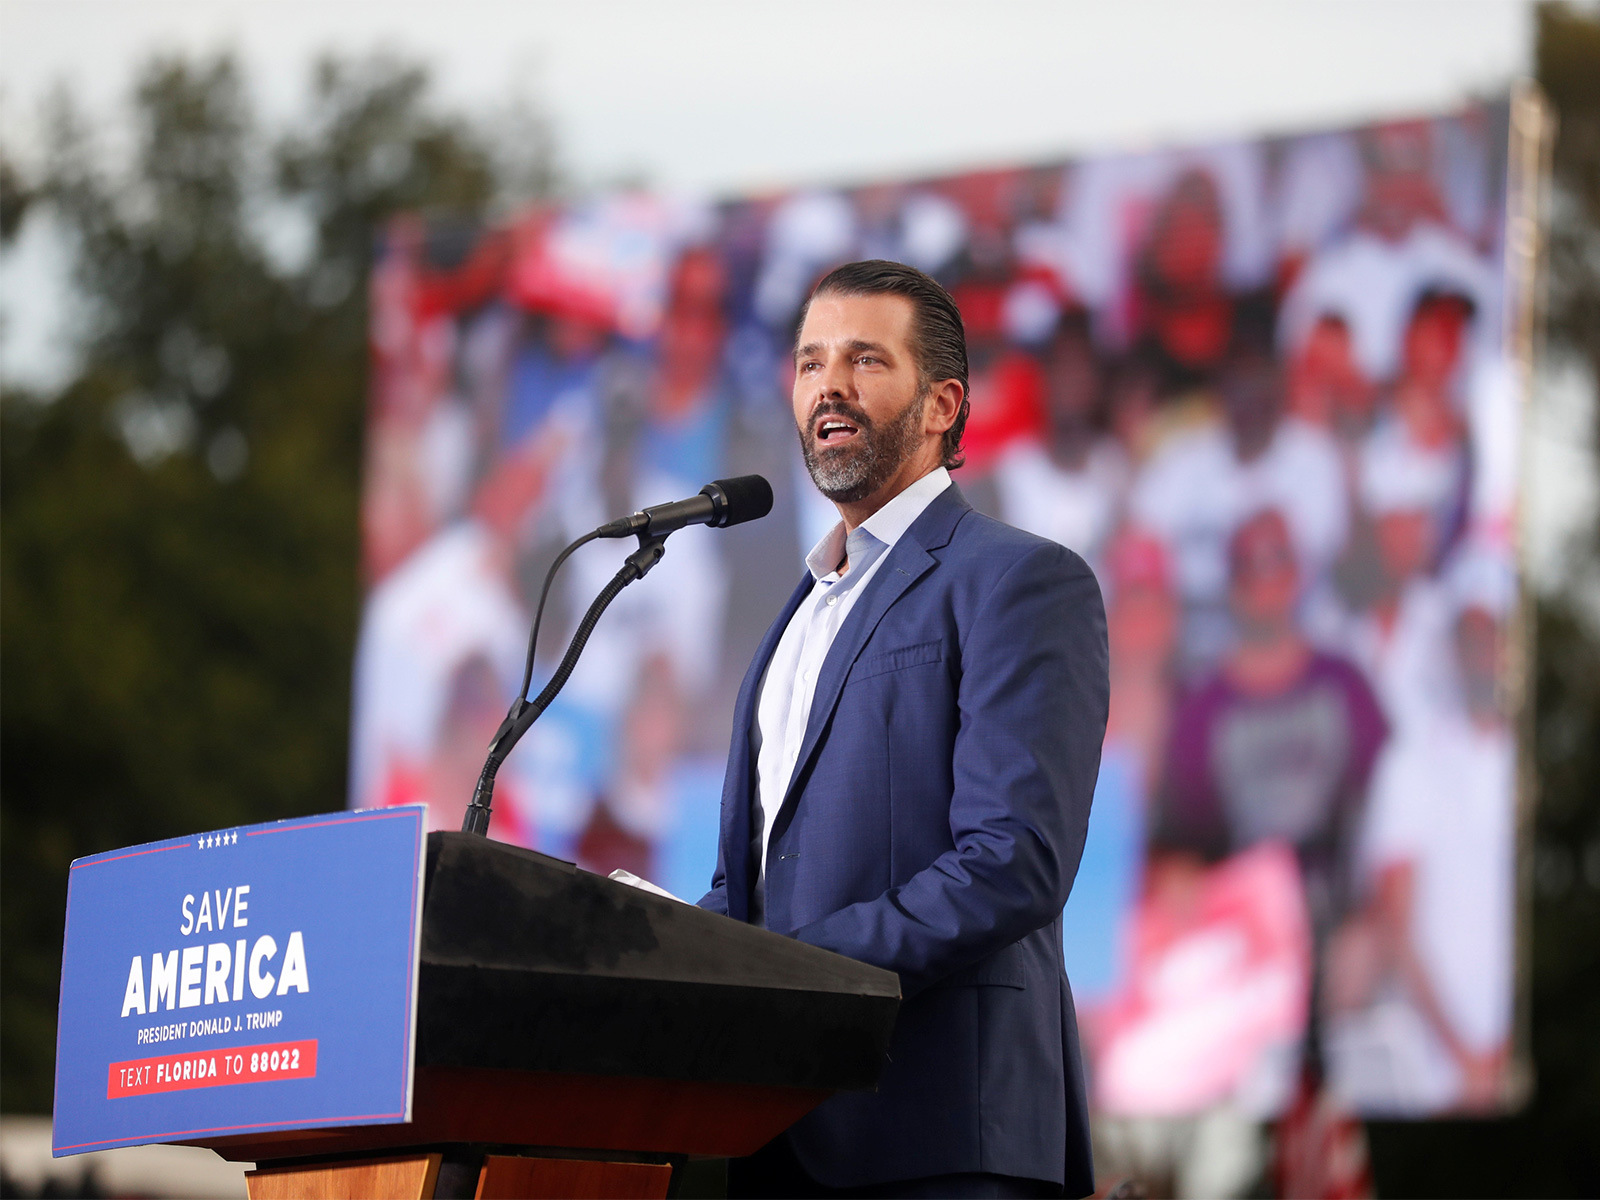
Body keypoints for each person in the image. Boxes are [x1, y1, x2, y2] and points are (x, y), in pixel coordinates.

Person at [699, 260, 1109, 1198]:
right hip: (778, 1139)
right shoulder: (792, 622)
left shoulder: (1017, 581)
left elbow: (1014, 860)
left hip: (941, 1135)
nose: (827, 386)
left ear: (942, 405)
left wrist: (796, 974)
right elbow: (749, 883)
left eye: (864, 360)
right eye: (809, 363)